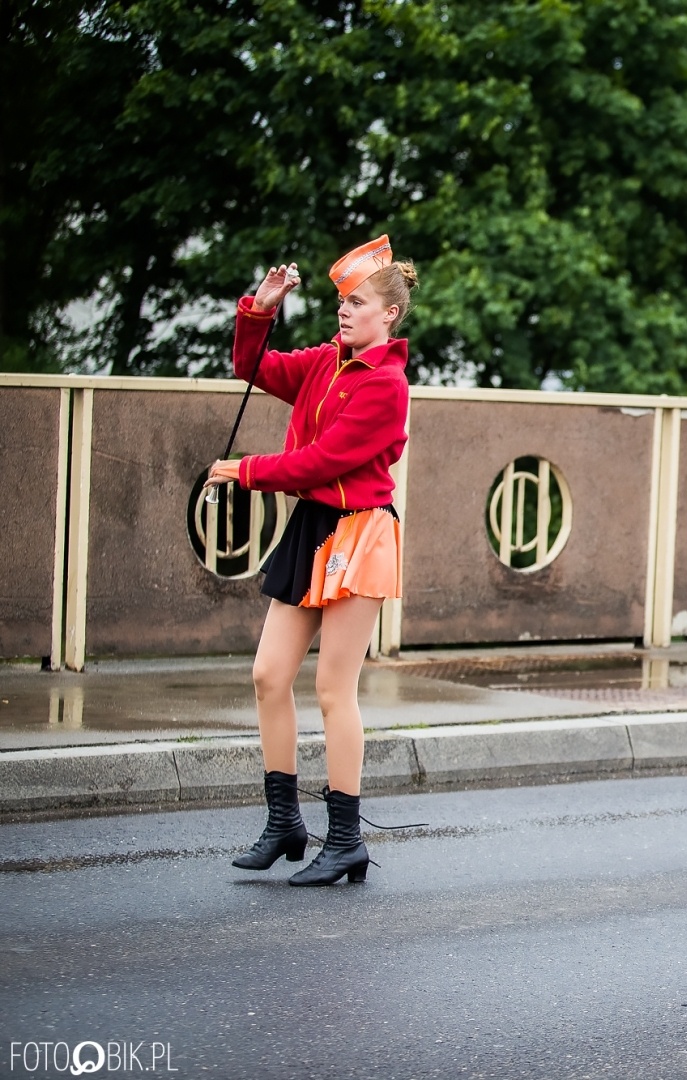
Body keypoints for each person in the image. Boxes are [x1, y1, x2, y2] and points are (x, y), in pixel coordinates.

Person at [208, 236, 413, 886]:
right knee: (269, 675)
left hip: (360, 532)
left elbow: (325, 460)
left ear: (389, 316)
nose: (343, 312)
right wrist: (259, 312)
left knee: (332, 690)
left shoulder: (388, 386)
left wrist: (246, 471)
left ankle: (346, 838)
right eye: (340, 302)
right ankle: (285, 822)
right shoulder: (325, 362)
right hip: (312, 527)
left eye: (356, 302)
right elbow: (254, 369)